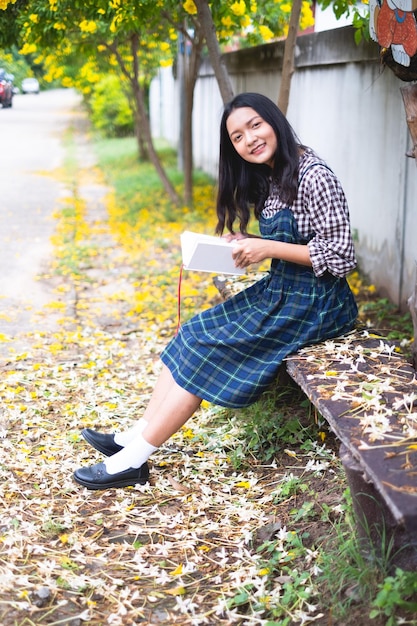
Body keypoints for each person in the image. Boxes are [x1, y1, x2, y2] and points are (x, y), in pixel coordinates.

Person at [73, 92, 358, 490]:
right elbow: (295, 238)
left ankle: (133, 461)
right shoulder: (275, 172)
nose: (249, 140)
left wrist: (268, 248)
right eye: (238, 137)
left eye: (255, 125)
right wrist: (249, 241)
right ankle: (135, 436)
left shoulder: (314, 175)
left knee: (207, 353)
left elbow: (343, 256)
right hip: (284, 291)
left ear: (274, 121)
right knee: (193, 333)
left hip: (318, 304)